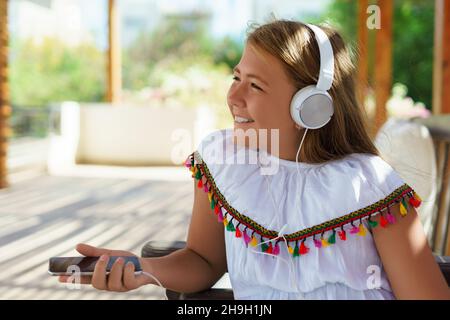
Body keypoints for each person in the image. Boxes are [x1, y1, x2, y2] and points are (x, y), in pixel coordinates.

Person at [58, 19, 450, 300]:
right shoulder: (225, 164)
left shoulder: (369, 186)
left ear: (311, 107)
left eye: (255, 85)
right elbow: (202, 261)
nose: (233, 97)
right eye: (236, 77)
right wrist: (142, 270)